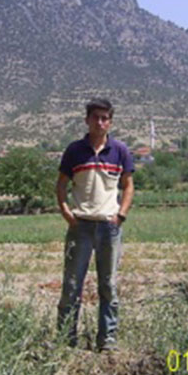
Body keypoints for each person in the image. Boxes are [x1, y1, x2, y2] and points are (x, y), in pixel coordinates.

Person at [56, 98, 135, 351]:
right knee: (71, 286)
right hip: (80, 227)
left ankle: (107, 340)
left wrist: (121, 215)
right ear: (87, 120)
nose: (100, 122)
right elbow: (61, 184)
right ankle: (66, 339)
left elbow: (129, 185)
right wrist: (66, 211)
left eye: (104, 118)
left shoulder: (120, 150)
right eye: (95, 117)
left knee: (108, 285)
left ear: (110, 122)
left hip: (109, 227)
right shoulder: (74, 150)